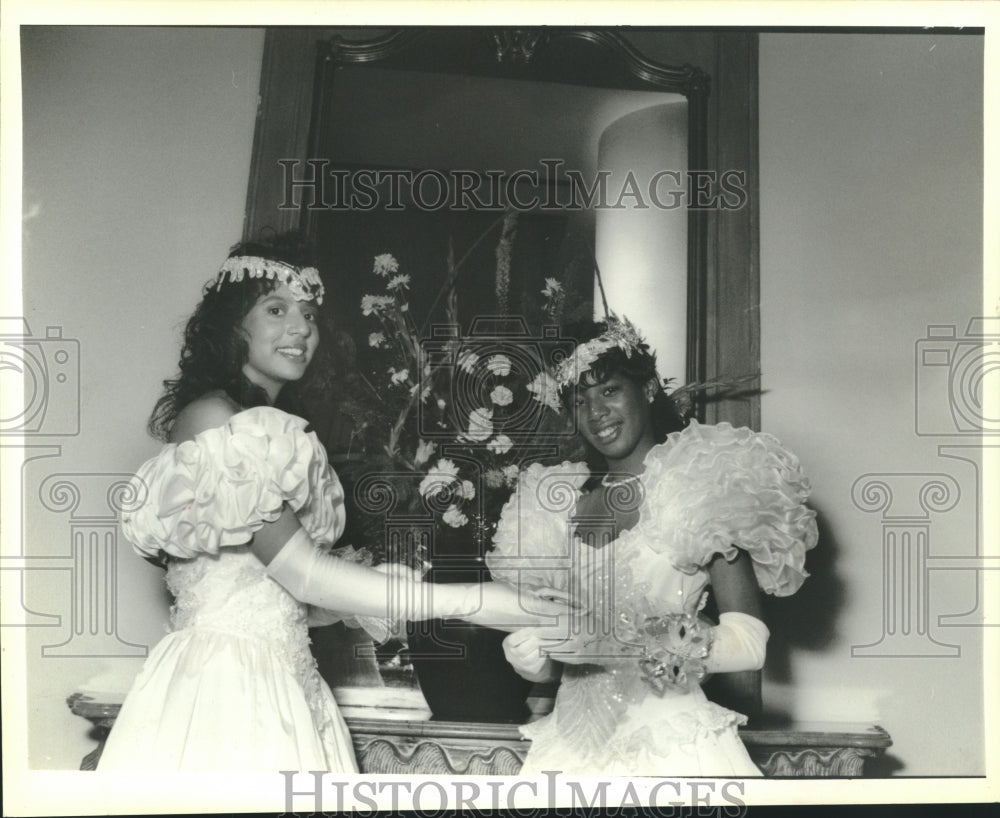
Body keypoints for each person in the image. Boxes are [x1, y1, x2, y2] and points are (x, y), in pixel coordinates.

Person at [97, 239, 564, 772]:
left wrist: (371, 594)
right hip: (226, 681)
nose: (300, 329)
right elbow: (302, 575)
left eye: (310, 314)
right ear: (232, 326)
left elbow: (286, 599)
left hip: (282, 674)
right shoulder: (217, 420)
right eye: (276, 310)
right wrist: (478, 600)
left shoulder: (273, 430)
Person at [487, 316, 818, 776]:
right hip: (568, 748)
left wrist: (624, 646)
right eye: (579, 401)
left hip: (672, 748)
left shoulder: (701, 486)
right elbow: (561, 663)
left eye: (609, 390)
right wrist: (534, 662)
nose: (595, 412)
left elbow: (748, 643)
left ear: (646, 390)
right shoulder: (555, 506)